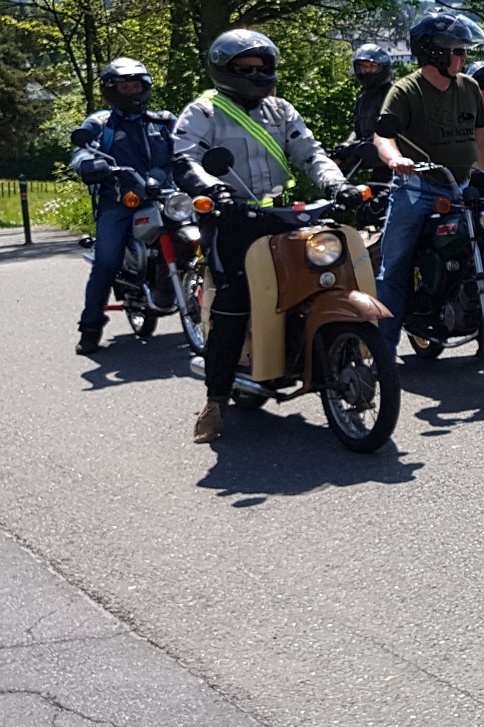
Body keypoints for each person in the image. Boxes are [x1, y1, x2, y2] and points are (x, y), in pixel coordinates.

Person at [173, 30, 355, 442]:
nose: (258, 74)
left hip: (279, 216)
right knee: (234, 299)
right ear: (225, 71)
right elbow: (185, 158)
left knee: (325, 273)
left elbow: (310, 153)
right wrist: (212, 190)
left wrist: (336, 186)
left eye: (263, 68)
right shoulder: (204, 111)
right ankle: (215, 400)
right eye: (247, 69)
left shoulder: (281, 111)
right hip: (231, 219)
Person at [371, 11, 484, 347]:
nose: (464, 57)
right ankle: (382, 353)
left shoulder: (469, 87)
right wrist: (395, 159)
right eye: (458, 51)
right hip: (418, 189)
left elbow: (482, 137)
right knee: (395, 265)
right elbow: (383, 136)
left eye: (464, 51)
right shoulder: (406, 90)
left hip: (463, 188)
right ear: (434, 52)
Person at [69, 58, 176, 354]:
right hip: (120, 202)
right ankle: (90, 328)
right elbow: (81, 151)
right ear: (113, 91)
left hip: (166, 197)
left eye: (137, 86)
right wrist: (89, 164)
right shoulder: (100, 124)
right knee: (106, 261)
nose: (133, 93)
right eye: (126, 87)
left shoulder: (163, 121)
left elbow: (187, 148)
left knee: (206, 239)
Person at [333, 43, 394, 182]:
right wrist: (345, 147)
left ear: (382, 68)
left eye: (372, 67)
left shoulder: (391, 95)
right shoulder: (363, 96)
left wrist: (353, 149)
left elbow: (389, 133)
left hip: (394, 161)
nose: (368, 71)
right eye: (364, 67)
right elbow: (358, 129)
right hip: (372, 156)